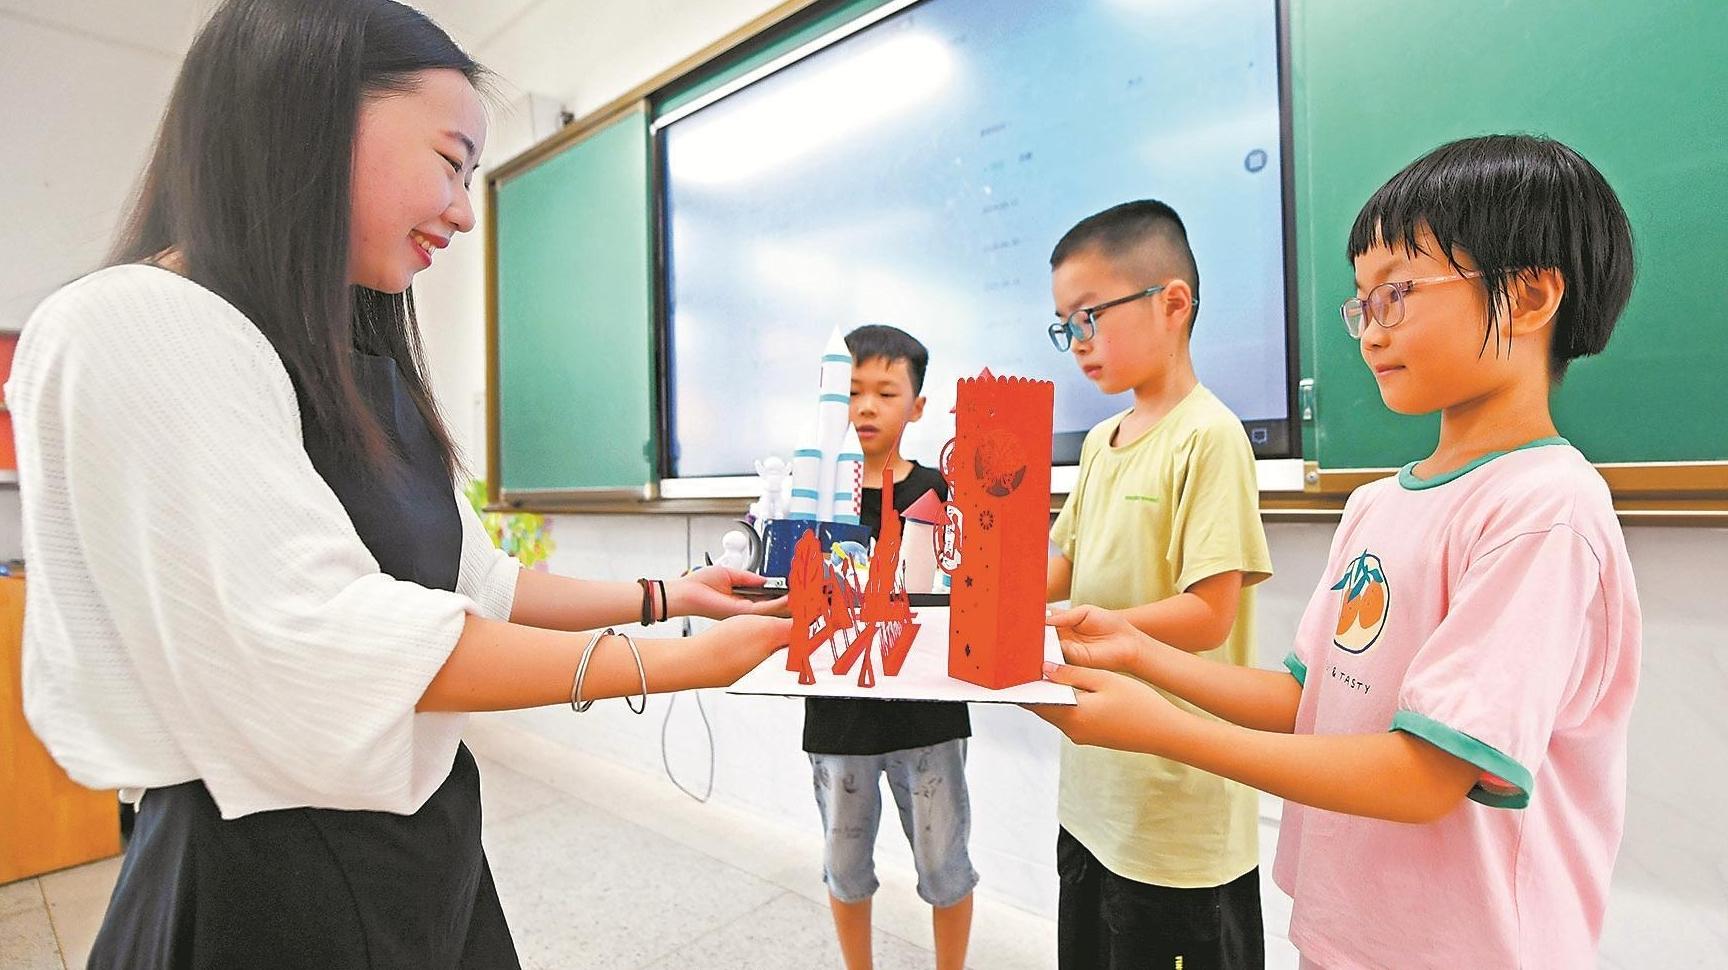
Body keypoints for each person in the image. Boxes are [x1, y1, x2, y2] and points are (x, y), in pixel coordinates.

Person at [6, 2, 788, 967]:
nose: (464, 210)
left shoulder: (348, 355)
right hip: (264, 879)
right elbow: (324, 641)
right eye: (452, 163)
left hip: (423, 842)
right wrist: (674, 664)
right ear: (314, 113)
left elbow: (477, 583)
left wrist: (674, 597)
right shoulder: (133, 324)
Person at [1034, 135, 1641, 969]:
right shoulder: (1376, 506)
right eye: (1362, 304)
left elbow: (1424, 775)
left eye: (1396, 294)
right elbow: (1304, 697)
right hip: (1346, 932)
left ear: (1530, 296)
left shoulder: (1545, 511)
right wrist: (1138, 653)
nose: (1368, 332)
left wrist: (1162, 729)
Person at [1044, 200, 1274, 969]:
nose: (1078, 342)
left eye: (1089, 316)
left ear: (1172, 304)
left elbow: (1209, 615)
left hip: (1177, 803)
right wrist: (979, 565)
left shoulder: (1210, 436)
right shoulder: (1100, 444)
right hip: (1094, 784)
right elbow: (1059, 566)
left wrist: (1096, 629)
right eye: (1064, 326)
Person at [804, 324, 977, 970]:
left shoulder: (941, 492)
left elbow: (972, 579)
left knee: (945, 866)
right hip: (838, 715)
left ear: (918, 406)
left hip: (930, 713)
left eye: (885, 391)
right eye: (852, 391)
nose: (866, 407)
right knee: (845, 864)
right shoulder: (816, 489)